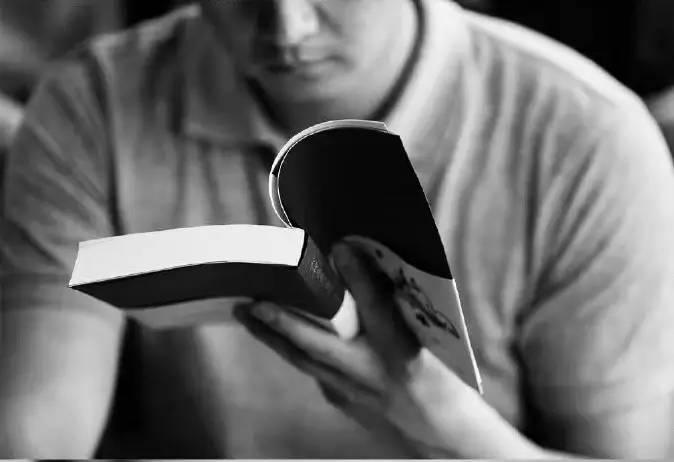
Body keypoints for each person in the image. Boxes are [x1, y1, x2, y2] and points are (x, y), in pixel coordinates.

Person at [1, 0, 673, 458]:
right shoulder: (94, 104)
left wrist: (447, 425)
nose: (288, 26)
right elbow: (37, 431)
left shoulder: (587, 142)